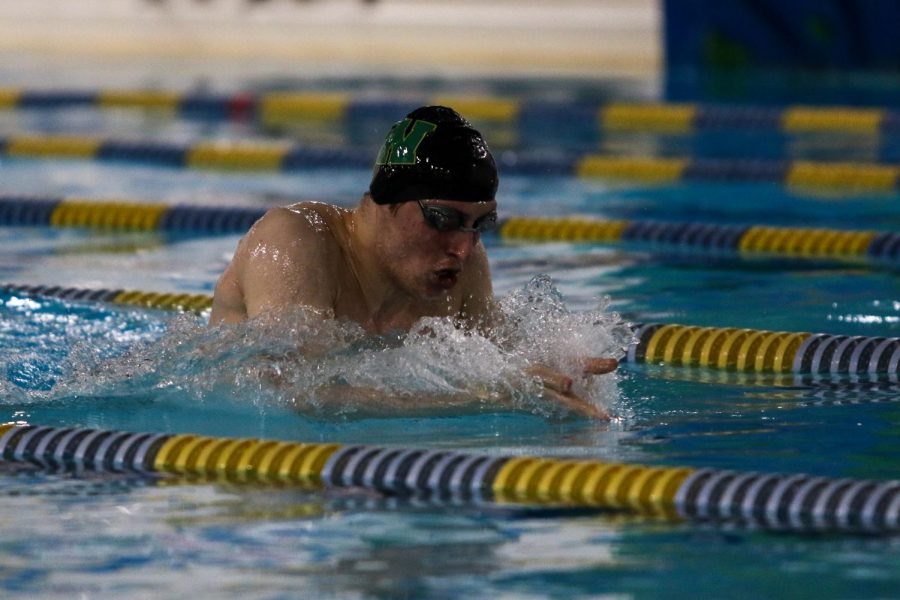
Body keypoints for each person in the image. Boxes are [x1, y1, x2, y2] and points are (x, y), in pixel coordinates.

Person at [210, 106, 617, 418]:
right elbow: (292, 393)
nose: (463, 248)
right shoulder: (296, 242)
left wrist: (557, 373)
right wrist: (484, 398)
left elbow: (499, 361)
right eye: (443, 220)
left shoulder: (465, 265)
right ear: (388, 203)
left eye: (480, 224)